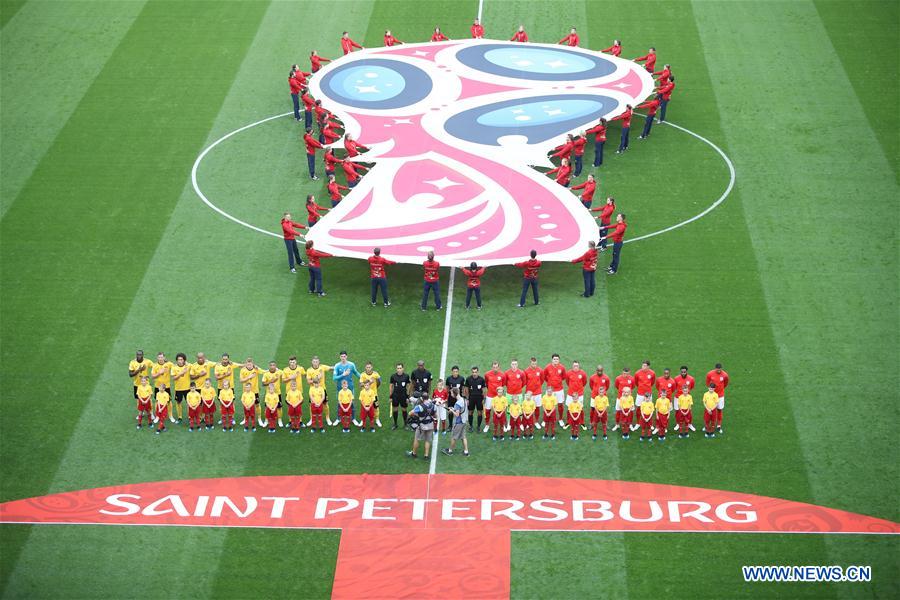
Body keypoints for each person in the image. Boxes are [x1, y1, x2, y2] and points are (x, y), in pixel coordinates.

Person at [441, 389, 470, 456]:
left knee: (454, 437)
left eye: (451, 394)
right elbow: (461, 410)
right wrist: (453, 409)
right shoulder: (463, 399)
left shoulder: (457, 403)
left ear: (455, 394)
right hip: (464, 421)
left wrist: (451, 410)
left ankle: (450, 451)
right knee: (463, 437)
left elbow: (457, 414)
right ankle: (466, 452)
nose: (451, 395)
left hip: (459, 422)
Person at [305, 356, 333, 425]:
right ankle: (311, 419)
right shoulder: (309, 370)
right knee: (311, 405)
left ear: (319, 362)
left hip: (322, 389)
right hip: (313, 390)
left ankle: (327, 418)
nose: (315, 363)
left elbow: (331, 368)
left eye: (316, 362)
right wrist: (317, 378)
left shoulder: (322, 367)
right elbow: (308, 381)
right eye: (314, 362)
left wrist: (340, 366)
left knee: (325, 404)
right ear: (312, 362)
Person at [542, 354, 567, 426]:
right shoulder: (547, 367)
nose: (556, 360)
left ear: (559, 360)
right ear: (552, 360)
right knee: (547, 404)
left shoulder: (562, 367)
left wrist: (557, 381)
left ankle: (560, 419)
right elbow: (544, 377)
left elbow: (563, 377)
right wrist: (550, 382)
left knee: (560, 404)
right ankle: (545, 419)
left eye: (557, 359)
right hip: (550, 390)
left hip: (559, 389)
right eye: (554, 359)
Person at [705, 363, 730, 433]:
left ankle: (719, 425)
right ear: (715, 368)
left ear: (721, 369)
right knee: (709, 409)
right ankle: (707, 425)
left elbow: (726, 383)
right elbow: (707, 383)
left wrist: (721, 389)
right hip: (711, 395)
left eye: (720, 370)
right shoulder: (710, 374)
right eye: (717, 370)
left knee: (719, 409)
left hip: (720, 395)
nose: (719, 371)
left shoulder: (725, 375)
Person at [151, 353, 175, 423]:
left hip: (166, 387)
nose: (160, 359)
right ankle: (157, 416)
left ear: (164, 358)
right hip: (157, 387)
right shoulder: (155, 366)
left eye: (162, 357)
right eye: (159, 357)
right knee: (157, 401)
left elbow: (176, 366)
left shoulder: (169, 364)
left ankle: (170, 416)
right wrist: (159, 373)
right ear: (157, 358)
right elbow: (152, 376)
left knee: (169, 402)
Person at [239, 358, 263, 426]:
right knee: (245, 405)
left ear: (253, 364)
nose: (249, 365)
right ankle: (245, 418)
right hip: (246, 391)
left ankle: (259, 418)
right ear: (246, 364)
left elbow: (264, 372)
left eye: (250, 364)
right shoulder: (243, 370)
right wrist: (249, 377)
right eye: (248, 364)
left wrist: (275, 369)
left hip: (255, 391)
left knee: (257, 404)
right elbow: (241, 381)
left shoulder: (256, 369)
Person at [483, 361, 505, 432]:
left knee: (501, 410)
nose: (495, 369)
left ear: (499, 367)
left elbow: (503, 384)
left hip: (499, 396)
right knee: (487, 410)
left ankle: (503, 424)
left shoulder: (502, 375)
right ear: (492, 367)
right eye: (494, 367)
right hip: (490, 395)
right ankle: (487, 424)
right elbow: (486, 383)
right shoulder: (487, 374)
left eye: (496, 367)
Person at [389, 362, 411, 429]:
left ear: (403, 368)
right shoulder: (393, 376)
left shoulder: (406, 376)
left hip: (403, 396)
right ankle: (395, 424)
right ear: (396, 369)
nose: (399, 369)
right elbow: (391, 386)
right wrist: (390, 396)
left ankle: (405, 424)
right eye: (398, 368)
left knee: (404, 409)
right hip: (395, 396)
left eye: (400, 368)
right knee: (395, 410)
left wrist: (407, 396)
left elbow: (408, 386)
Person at [359, 362, 382, 427]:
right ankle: (362, 420)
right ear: (365, 368)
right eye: (367, 367)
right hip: (364, 395)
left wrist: (376, 387)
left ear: (372, 367)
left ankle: (377, 420)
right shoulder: (362, 375)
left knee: (376, 407)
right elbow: (360, 384)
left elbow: (380, 381)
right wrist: (369, 382)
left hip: (374, 394)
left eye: (369, 367)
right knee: (363, 408)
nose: (368, 369)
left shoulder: (375, 374)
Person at [262, 361, 284, 427]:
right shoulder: (266, 374)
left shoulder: (279, 372)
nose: (272, 366)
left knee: (279, 407)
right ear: (269, 366)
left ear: (276, 366)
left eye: (273, 365)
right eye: (271, 365)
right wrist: (270, 381)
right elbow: (263, 384)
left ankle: (279, 420)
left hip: (277, 393)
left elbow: (285, 373)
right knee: (267, 408)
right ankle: (266, 420)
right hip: (268, 394)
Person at [464, 366, 485, 432]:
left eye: (475, 372)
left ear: (478, 372)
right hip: (471, 398)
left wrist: (483, 399)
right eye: (473, 372)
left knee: (479, 413)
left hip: (479, 398)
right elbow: (466, 389)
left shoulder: (481, 379)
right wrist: (467, 398)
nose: (474, 373)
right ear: (471, 372)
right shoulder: (468, 379)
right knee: (470, 412)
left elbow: (484, 389)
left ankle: (478, 427)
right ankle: (471, 426)